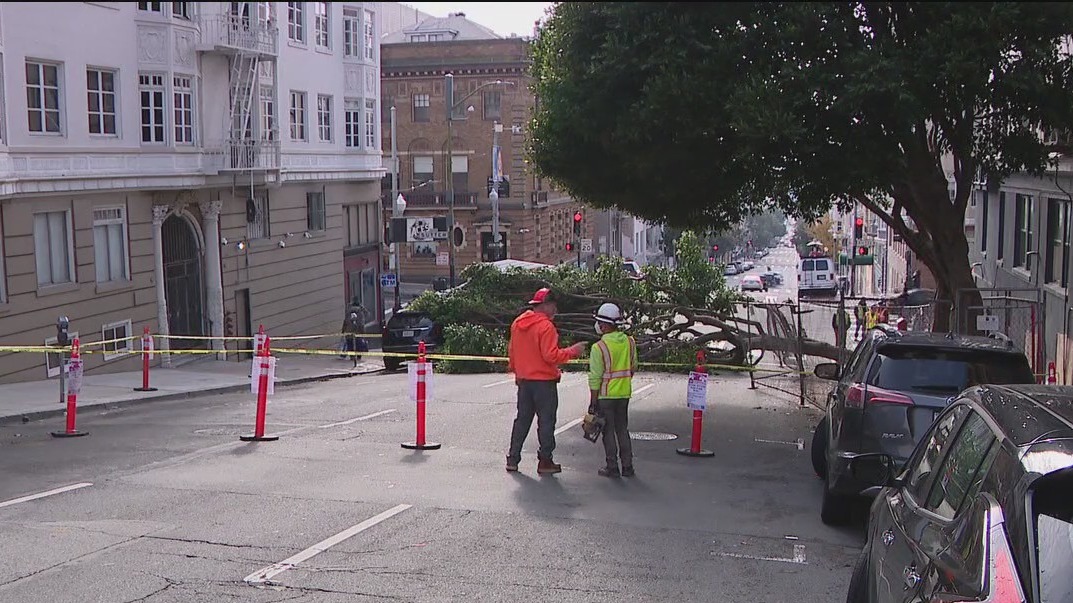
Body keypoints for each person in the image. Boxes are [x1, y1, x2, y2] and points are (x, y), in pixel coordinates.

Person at [506, 288, 587, 475]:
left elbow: (512, 351)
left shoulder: (518, 323)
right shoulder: (546, 327)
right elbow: (551, 356)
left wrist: (517, 373)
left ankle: (513, 458)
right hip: (544, 382)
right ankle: (545, 461)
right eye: (553, 305)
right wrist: (572, 351)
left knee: (522, 420)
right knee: (546, 421)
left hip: (525, 380)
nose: (555, 309)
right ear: (545, 305)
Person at [589, 303, 638, 478]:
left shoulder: (599, 348)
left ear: (604, 325)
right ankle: (628, 467)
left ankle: (612, 467)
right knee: (622, 430)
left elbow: (595, 378)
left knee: (608, 432)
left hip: (605, 396)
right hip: (624, 394)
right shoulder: (630, 342)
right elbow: (633, 367)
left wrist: (593, 403)